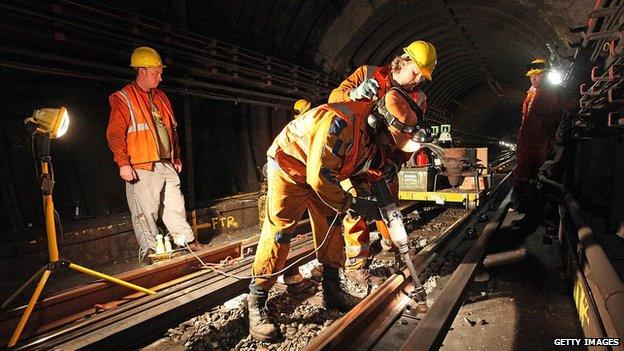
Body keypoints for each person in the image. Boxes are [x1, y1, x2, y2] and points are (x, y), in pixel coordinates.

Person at [248, 89, 423, 340]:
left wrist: (374, 196)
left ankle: (332, 290)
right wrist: (352, 202)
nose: (389, 145)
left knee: (331, 225)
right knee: (280, 233)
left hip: (323, 174)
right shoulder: (338, 123)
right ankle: (257, 301)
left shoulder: (372, 133)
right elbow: (318, 178)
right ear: (378, 122)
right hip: (290, 168)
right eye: (390, 138)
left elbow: (359, 168)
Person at [327, 40, 437, 282]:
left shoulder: (418, 99)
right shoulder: (368, 74)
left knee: (389, 207)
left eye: (422, 75)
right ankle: (357, 264)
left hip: (384, 158)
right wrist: (353, 94)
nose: (417, 79)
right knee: (356, 207)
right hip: (355, 153)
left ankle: (393, 245)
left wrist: (397, 162)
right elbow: (334, 100)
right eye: (415, 71)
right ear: (403, 61)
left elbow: (411, 136)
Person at [106, 46, 202, 262]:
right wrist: (123, 163)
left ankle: (185, 240)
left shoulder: (160, 97)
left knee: (175, 204)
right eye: (156, 73)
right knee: (145, 211)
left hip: (165, 161)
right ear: (141, 71)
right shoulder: (124, 98)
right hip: (141, 163)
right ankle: (151, 250)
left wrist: (175, 156)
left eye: (160, 72)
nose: (160, 77)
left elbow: (171, 129)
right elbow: (115, 134)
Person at [512, 58, 574, 227]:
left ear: (546, 75)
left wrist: (560, 137)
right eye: (531, 76)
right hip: (527, 146)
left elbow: (570, 110)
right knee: (525, 179)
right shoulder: (530, 94)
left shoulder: (555, 92)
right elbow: (526, 121)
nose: (534, 79)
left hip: (541, 146)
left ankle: (534, 218)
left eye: (538, 75)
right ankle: (528, 214)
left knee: (535, 182)